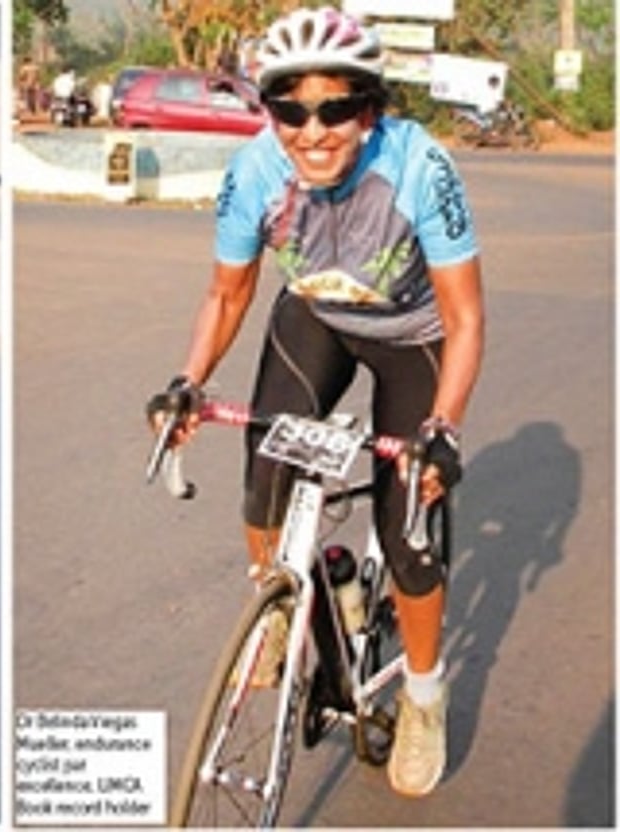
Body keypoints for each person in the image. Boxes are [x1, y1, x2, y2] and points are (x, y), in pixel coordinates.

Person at [146, 6, 483, 800]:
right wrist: (188, 381)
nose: (313, 131)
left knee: (407, 542)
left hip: (414, 336)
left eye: (337, 109)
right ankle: (279, 606)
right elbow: (227, 296)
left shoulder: (420, 167)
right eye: (290, 110)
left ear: (371, 110)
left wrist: (443, 429)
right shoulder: (256, 172)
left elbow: (466, 318)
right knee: (263, 481)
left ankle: (426, 698)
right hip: (318, 317)